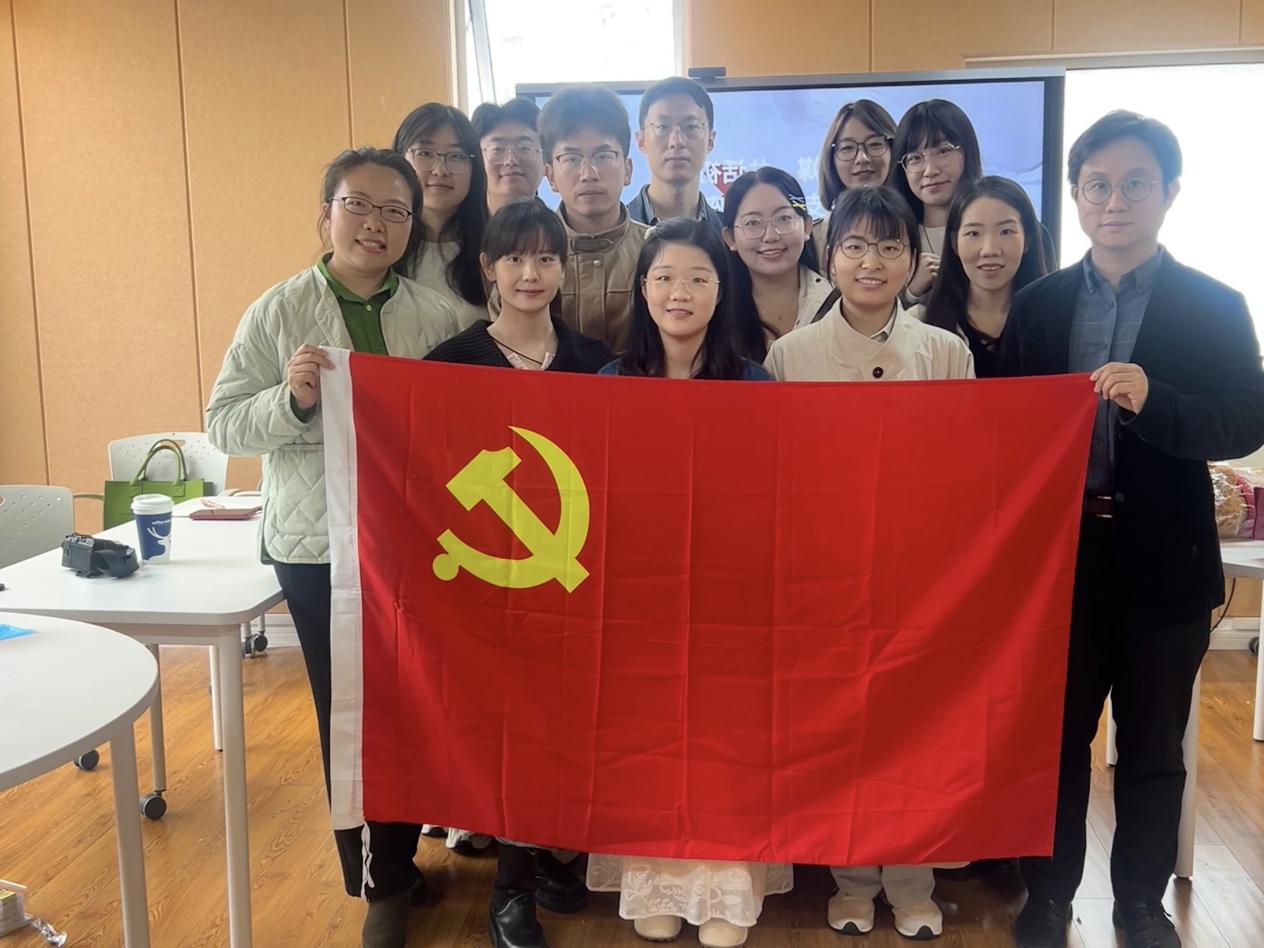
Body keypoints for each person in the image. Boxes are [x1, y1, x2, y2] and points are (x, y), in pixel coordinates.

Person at [1002, 111, 1264, 948]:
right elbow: (1003, 428)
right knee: (1055, 741)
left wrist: (1158, 402)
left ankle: (1140, 905)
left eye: (1135, 184)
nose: (1115, 202)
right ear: (1077, 196)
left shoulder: (1215, 305)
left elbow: (1244, 420)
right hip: (1060, 562)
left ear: (1169, 192)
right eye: (1098, 186)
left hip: (1165, 560)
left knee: (1153, 745)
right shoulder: (1039, 306)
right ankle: (1048, 897)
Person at [205, 147, 460, 948]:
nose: (375, 223)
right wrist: (292, 400)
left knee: (415, 706)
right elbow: (223, 424)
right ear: (326, 215)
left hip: (416, 543)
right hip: (317, 547)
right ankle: (379, 882)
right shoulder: (277, 312)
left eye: (395, 211)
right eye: (359, 205)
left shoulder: (439, 316)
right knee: (346, 714)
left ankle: (402, 857)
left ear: (411, 227)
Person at [765, 185, 972, 942]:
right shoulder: (790, 356)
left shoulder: (945, 352)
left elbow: (965, 476)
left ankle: (913, 882)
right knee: (842, 730)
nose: (871, 262)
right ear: (830, 255)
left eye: (889, 246)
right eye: (854, 245)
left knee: (915, 728)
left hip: (919, 578)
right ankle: (851, 879)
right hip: (825, 576)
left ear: (914, 259)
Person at [589, 218, 784, 947]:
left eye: (699, 278)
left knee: (724, 743)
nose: (681, 292)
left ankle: (725, 889)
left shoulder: (753, 383)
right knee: (647, 738)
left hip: (730, 594)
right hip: (639, 595)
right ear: (643, 289)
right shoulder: (612, 383)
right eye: (666, 277)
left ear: (720, 291)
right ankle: (657, 882)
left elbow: (774, 495)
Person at [425, 198, 612, 948]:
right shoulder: (450, 364)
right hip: (484, 587)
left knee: (568, 724)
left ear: (563, 268)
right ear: (488, 269)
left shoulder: (597, 361)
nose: (530, 273)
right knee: (509, 729)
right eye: (514, 258)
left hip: (577, 576)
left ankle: (549, 854)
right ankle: (512, 887)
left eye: (545, 258)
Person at [538, 83, 649, 353]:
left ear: (627, 169)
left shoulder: (657, 250)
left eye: (603, 156)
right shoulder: (525, 254)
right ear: (550, 176)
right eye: (571, 158)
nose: (589, 174)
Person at [923, 176, 1051, 377]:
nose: (989, 250)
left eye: (1006, 231)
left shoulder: (1056, 320)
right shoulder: (922, 321)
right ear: (955, 243)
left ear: (1027, 240)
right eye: (974, 234)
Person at [394, 102, 488, 329]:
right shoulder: (379, 246)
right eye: (425, 154)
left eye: (456, 156)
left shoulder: (495, 249)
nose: (440, 170)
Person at [721, 167, 830, 360]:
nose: (770, 236)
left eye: (783, 219)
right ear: (730, 238)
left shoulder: (838, 302)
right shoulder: (716, 312)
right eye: (753, 223)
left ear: (806, 226)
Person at [890, 99, 983, 302]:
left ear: (968, 152)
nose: (930, 170)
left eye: (943, 151)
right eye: (915, 158)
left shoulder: (997, 230)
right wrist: (911, 292)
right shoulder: (892, 240)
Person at [626, 76, 725, 233]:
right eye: (662, 127)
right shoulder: (614, 230)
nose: (677, 141)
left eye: (691, 127)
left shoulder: (730, 236)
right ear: (641, 141)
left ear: (710, 141)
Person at [812, 99, 897, 262]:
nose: (862, 158)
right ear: (831, 159)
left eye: (874, 144)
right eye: (847, 148)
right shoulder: (814, 239)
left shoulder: (920, 227)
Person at [472, 97, 546, 215]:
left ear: (545, 160)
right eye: (497, 149)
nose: (511, 161)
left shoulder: (556, 226)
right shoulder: (457, 226)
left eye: (524, 148)